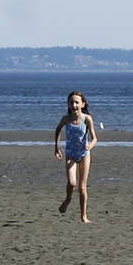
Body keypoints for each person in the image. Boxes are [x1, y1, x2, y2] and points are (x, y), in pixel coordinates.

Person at [54, 90, 97, 223]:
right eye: (71, 102)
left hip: (84, 154)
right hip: (70, 154)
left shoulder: (87, 119)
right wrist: (56, 147)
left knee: (82, 187)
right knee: (72, 183)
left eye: (76, 102)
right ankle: (68, 199)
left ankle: (83, 216)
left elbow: (95, 138)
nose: (74, 105)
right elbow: (58, 129)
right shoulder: (66, 119)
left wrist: (90, 145)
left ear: (82, 104)